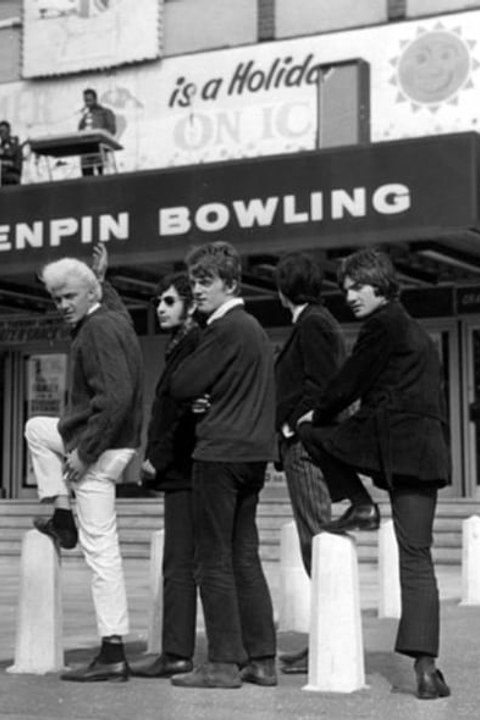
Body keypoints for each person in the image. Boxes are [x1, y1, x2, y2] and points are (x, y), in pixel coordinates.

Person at [295, 247, 452, 701]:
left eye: (356, 287)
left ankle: (361, 504)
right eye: (345, 289)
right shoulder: (417, 331)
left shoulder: (382, 324)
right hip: (425, 454)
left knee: (311, 432)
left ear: (379, 285)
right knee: (417, 556)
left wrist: (314, 411)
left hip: (389, 442)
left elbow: (349, 382)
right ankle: (426, 669)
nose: (349, 296)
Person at [24, 254, 143, 683]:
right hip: (108, 441)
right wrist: (103, 280)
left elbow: (114, 397)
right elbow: (115, 307)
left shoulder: (96, 330)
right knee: (37, 429)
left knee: (101, 552)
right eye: (56, 298)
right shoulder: (112, 319)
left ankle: (112, 651)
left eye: (69, 295)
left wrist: (85, 452)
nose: (61, 304)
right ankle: (60, 513)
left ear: (89, 294)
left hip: (102, 447)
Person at [168, 241, 278, 689]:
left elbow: (182, 383)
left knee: (211, 560)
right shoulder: (254, 329)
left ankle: (222, 663)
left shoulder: (223, 327)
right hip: (253, 455)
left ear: (230, 283)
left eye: (205, 281)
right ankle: (263, 659)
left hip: (219, 454)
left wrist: (198, 388)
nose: (197, 289)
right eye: (193, 280)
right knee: (244, 556)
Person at [272, 252, 346, 675]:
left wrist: (289, 427)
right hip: (301, 447)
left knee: (317, 540)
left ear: (283, 289)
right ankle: (324, 636)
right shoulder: (313, 321)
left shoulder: (313, 323)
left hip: (304, 447)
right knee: (312, 540)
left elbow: (322, 385)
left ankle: (331, 638)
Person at [128, 271, 202, 679]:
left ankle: (176, 653)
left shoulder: (192, 344)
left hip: (184, 470)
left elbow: (182, 411)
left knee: (178, 565)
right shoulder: (180, 345)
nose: (160, 309)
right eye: (158, 301)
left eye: (169, 301)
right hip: (184, 469)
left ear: (191, 304)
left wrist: (157, 455)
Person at [78, 88, 116, 176]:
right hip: (86, 149)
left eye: (89, 100)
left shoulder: (106, 112)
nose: (87, 103)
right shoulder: (85, 116)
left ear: (95, 99)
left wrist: (100, 135)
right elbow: (79, 131)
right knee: (87, 176)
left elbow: (112, 130)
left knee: (102, 175)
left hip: (99, 147)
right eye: (85, 100)